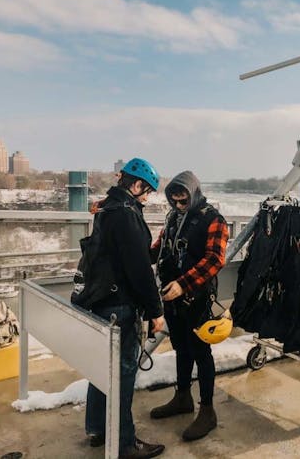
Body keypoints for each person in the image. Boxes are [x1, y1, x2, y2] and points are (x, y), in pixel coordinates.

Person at [84, 157, 166, 459]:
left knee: (101, 368)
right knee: (122, 374)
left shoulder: (106, 209)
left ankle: (96, 428)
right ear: (136, 184)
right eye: (147, 191)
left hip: (101, 301)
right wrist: (155, 310)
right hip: (120, 306)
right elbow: (139, 270)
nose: (147, 197)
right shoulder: (125, 214)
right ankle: (125, 443)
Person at [149, 171, 229, 441]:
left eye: (183, 199)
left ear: (193, 193)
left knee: (200, 352)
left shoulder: (213, 219)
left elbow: (215, 259)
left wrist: (183, 284)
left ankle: (207, 411)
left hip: (196, 297)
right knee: (181, 347)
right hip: (173, 296)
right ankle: (183, 397)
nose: (179, 204)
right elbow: (160, 249)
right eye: (175, 200)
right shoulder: (173, 219)